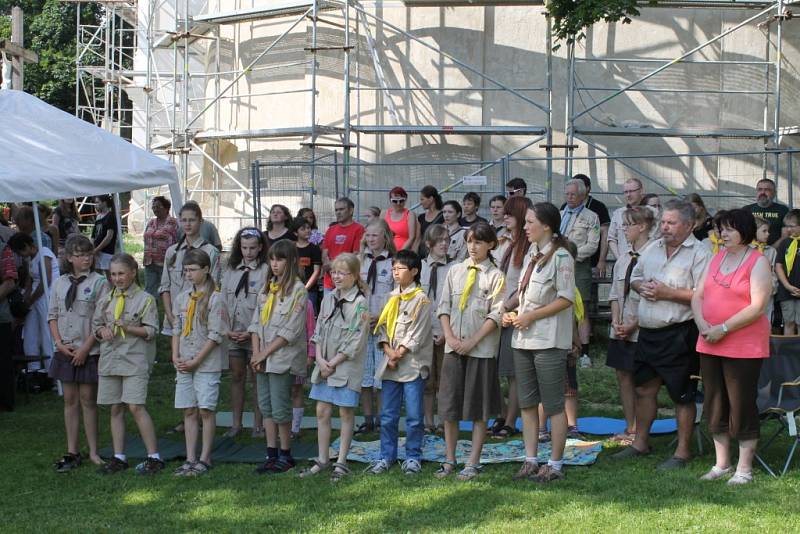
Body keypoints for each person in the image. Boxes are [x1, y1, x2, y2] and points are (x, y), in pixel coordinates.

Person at [612, 200, 712, 470]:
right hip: (648, 333)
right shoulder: (653, 248)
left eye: (671, 222)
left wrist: (669, 293)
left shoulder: (700, 252)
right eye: (664, 222)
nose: (664, 227)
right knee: (644, 389)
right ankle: (640, 443)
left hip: (680, 333)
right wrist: (640, 286)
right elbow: (636, 277)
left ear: (689, 225)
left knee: (682, 395)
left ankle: (682, 452)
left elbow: (705, 295)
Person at [691, 209, 772, 486]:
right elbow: (697, 296)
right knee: (714, 402)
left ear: (744, 230)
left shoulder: (758, 261)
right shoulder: (715, 259)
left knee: (742, 404)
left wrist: (722, 328)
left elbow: (757, 306)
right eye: (719, 229)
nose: (721, 234)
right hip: (709, 342)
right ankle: (721, 464)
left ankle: (744, 469)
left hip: (743, 346)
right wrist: (702, 323)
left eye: (728, 229)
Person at [503, 202, 576, 482]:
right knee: (527, 403)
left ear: (546, 225)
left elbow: (565, 298)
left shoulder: (561, 258)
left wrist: (531, 316)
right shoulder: (532, 254)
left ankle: (555, 464)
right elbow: (524, 296)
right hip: (523, 340)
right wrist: (510, 312)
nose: (524, 226)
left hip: (548, 340)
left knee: (554, 404)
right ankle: (530, 459)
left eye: (530, 221)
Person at [435, 222, 504, 481]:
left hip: (480, 351)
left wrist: (472, 341)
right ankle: (449, 459)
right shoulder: (455, 271)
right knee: (450, 406)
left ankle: (473, 461)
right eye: (469, 241)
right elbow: (444, 307)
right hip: (454, 349)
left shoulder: (495, 276)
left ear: (491, 245)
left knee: (479, 408)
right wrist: (451, 338)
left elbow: (496, 314)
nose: (472, 247)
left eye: (478, 242)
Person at [300, 253, 369, 482]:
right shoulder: (329, 297)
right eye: (334, 273)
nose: (337, 277)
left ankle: (341, 461)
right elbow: (319, 329)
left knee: (345, 412)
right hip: (325, 363)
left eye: (342, 273)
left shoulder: (359, 303)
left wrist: (333, 362)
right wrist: (320, 359)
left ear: (354, 275)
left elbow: (355, 340)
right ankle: (322, 458)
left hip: (345, 365)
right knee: (322, 410)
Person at [92, 253, 163, 475]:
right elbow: (96, 326)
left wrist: (128, 327)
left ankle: (154, 457)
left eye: (121, 273)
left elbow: (151, 331)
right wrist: (101, 331)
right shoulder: (106, 300)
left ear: (133, 272)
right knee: (115, 407)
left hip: (135, 360)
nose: (117, 278)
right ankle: (119, 456)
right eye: (113, 274)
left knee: (135, 406)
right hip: (111, 359)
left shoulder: (146, 300)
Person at [47, 235, 110, 471]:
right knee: (70, 400)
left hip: (89, 350)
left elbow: (101, 319)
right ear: (70, 258)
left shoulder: (99, 282)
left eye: (89, 254)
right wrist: (60, 344)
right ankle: (72, 450)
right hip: (66, 349)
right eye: (81, 255)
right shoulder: (60, 282)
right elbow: (52, 315)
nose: (86, 258)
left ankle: (93, 451)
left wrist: (85, 348)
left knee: (88, 401)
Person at [367, 250, 432, 475]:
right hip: (390, 364)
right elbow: (382, 327)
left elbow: (418, 333)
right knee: (387, 415)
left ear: (414, 271)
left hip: (411, 364)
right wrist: (387, 350)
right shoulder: (391, 297)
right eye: (393, 268)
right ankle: (387, 455)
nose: (395, 272)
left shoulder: (421, 300)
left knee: (414, 416)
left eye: (400, 268)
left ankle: (413, 455)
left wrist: (398, 353)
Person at [249, 240, 308, 474]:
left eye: (280, 259)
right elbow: (255, 323)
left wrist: (264, 353)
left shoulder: (298, 290)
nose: (274, 264)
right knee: (266, 407)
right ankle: (270, 453)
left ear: (291, 261)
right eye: (272, 259)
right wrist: (256, 353)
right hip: (262, 357)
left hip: (282, 358)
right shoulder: (267, 289)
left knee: (281, 408)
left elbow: (290, 331)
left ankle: (286, 454)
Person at [171, 249, 227, 477]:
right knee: (189, 410)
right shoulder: (182, 298)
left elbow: (215, 335)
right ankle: (190, 457)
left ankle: (205, 457)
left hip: (205, 363)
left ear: (206, 269)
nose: (189, 274)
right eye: (186, 271)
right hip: (184, 361)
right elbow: (176, 328)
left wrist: (196, 361)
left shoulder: (215, 297)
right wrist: (175, 355)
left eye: (193, 270)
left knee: (206, 409)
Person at [607, 206, 655, 445]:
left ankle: (642, 431)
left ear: (642, 226)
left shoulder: (654, 256)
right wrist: (616, 322)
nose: (623, 229)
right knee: (622, 376)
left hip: (641, 329)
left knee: (643, 381)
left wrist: (633, 325)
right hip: (621, 330)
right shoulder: (624, 258)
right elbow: (615, 294)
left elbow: (651, 297)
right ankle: (631, 427)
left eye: (627, 225)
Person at [488, 196, 532, 438]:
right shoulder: (505, 243)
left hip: (514, 314)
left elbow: (523, 286)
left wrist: (507, 308)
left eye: (509, 213)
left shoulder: (528, 248)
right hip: (498, 312)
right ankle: (502, 414)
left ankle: (511, 421)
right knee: (495, 369)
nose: (504, 216)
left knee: (513, 372)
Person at [220, 227, 269, 439]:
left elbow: (267, 305)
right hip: (233, 333)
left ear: (260, 248)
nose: (248, 252)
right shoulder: (230, 269)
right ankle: (236, 424)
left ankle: (258, 425)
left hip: (255, 334)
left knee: (256, 378)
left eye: (252, 248)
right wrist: (227, 330)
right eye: (244, 247)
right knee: (237, 377)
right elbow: (222, 301)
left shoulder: (266, 270)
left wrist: (251, 332)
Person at [357, 220, 397, 434]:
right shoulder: (359, 262)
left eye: (375, 235)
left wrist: (381, 316)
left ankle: (383, 418)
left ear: (385, 237)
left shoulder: (392, 263)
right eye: (368, 235)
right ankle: (368, 418)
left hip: (383, 325)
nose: (371, 239)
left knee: (381, 375)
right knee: (364, 374)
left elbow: (396, 295)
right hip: (363, 324)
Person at [159, 202, 221, 337]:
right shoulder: (172, 252)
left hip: (200, 316)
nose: (187, 224)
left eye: (192, 220)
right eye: (184, 220)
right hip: (176, 314)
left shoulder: (211, 252)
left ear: (201, 221)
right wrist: (170, 316)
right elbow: (165, 286)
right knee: (176, 355)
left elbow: (213, 287)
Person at [560, 179, 600, 365]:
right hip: (559, 268)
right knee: (561, 306)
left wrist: (571, 255)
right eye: (567, 194)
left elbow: (592, 245)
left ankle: (585, 352)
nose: (569, 197)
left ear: (583, 195)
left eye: (573, 194)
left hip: (579, 267)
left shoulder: (591, 217)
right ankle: (565, 346)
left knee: (581, 310)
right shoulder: (559, 215)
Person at [8, 232, 59, 376]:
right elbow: (29, 282)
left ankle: (52, 371)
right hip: (35, 297)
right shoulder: (30, 259)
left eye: (20, 251)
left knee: (46, 332)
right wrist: (25, 299)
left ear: (26, 246)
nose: (21, 255)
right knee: (30, 332)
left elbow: (46, 281)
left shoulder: (44, 254)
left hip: (47, 295)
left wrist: (30, 300)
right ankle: (33, 367)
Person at [420, 224, 453, 433]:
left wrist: (445, 332)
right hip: (423, 332)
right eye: (439, 240)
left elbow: (455, 303)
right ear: (428, 244)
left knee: (444, 380)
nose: (444, 244)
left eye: (447, 240)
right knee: (426, 378)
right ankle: (428, 421)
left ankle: (443, 421)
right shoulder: (420, 267)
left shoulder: (454, 268)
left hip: (444, 331)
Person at [322, 198, 365, 297]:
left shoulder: (358, 229)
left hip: (347, 281)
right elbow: (325, 254)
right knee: (328, 311)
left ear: (351, 210)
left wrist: (333, 266)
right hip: (329, 281)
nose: (338, 212)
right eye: (336, 210)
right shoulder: (330, 230)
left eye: (341, 209)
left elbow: (355, 256)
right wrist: (329, 267)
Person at [570, 174, 611, 277]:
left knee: (588, 291)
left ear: (587, 189)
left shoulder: (598, 207)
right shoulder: (565, 207)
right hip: (566, 262)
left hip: (591, 262)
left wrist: (602, 261)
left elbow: (605, 234)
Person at [142, 196, 178, 298]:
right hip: (150, 261)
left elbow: (179, 241)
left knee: (167, 288)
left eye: (158, 206)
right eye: (153, 207)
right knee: (150, 289)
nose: (155, 209)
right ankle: (151, 309)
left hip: (166, 262)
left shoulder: (173, 222)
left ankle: (167, 308)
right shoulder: (151, 222)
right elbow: (145, 237)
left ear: (166, 208)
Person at [0, 222, 18, 412]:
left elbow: (9, 282)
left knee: (3, 361)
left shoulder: (3, 248)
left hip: (1, 316)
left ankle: (5, 401)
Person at [775, 209, 800, 335]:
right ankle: (788, 352)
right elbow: (778, 265)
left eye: (792, 226)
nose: (788, 229)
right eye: (787, 226)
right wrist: (787, 286)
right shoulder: (785, 243)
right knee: (789, 322)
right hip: (787, 291)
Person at [607, 178, 645, 260]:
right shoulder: (618, 214)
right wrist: (619, 259)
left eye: (631, 191)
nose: (628, 195)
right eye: (626, 192)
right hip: (623, 262)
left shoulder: (650, 212)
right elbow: (611, 238)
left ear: (641, 191)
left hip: (645, 262)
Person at [743, 178, 789, 245]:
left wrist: (771, 250)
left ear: (774, 193)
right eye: (760, 189)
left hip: (776, 251)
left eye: (767, 190)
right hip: (750, 251)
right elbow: (741, 233)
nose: (762, 192)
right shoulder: (746, 210)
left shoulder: (783, 210)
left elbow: (785, 235)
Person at [293, 216, 322, 315]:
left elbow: (316, 271)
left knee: (308, 317)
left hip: (310, 291)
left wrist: (305, 288)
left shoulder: (314, 249)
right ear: (295, 233)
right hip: (292, 289)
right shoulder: (291, 248)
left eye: (308, 228)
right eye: (303, 229)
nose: (307, 230)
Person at [385, 186, 417, 251]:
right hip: (386, 252)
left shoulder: (410, 214)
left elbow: (412, 237)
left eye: (401, 201)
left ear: (405, 200)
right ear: (390, 200)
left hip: (403, 253)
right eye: (395, 201)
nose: (398, 203)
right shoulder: (384, 213)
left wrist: (399, 253)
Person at [92, 195, 117, 274]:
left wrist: (97, 249)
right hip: (96, 251)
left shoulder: (110, 216)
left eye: (97, 202)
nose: (96, 204)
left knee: (110, 276)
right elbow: (93, 235)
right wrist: (92, 248)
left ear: (104, 203)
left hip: (107, 251)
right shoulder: (98, 217)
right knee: (97, 275)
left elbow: (109, 236)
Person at [416, 185, 444, 254]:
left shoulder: (443, 216)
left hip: (436, 252)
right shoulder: (421, 217)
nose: (420, 202)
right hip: (422, 253)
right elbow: (417, 239)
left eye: (422, 199)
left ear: (431, 199)